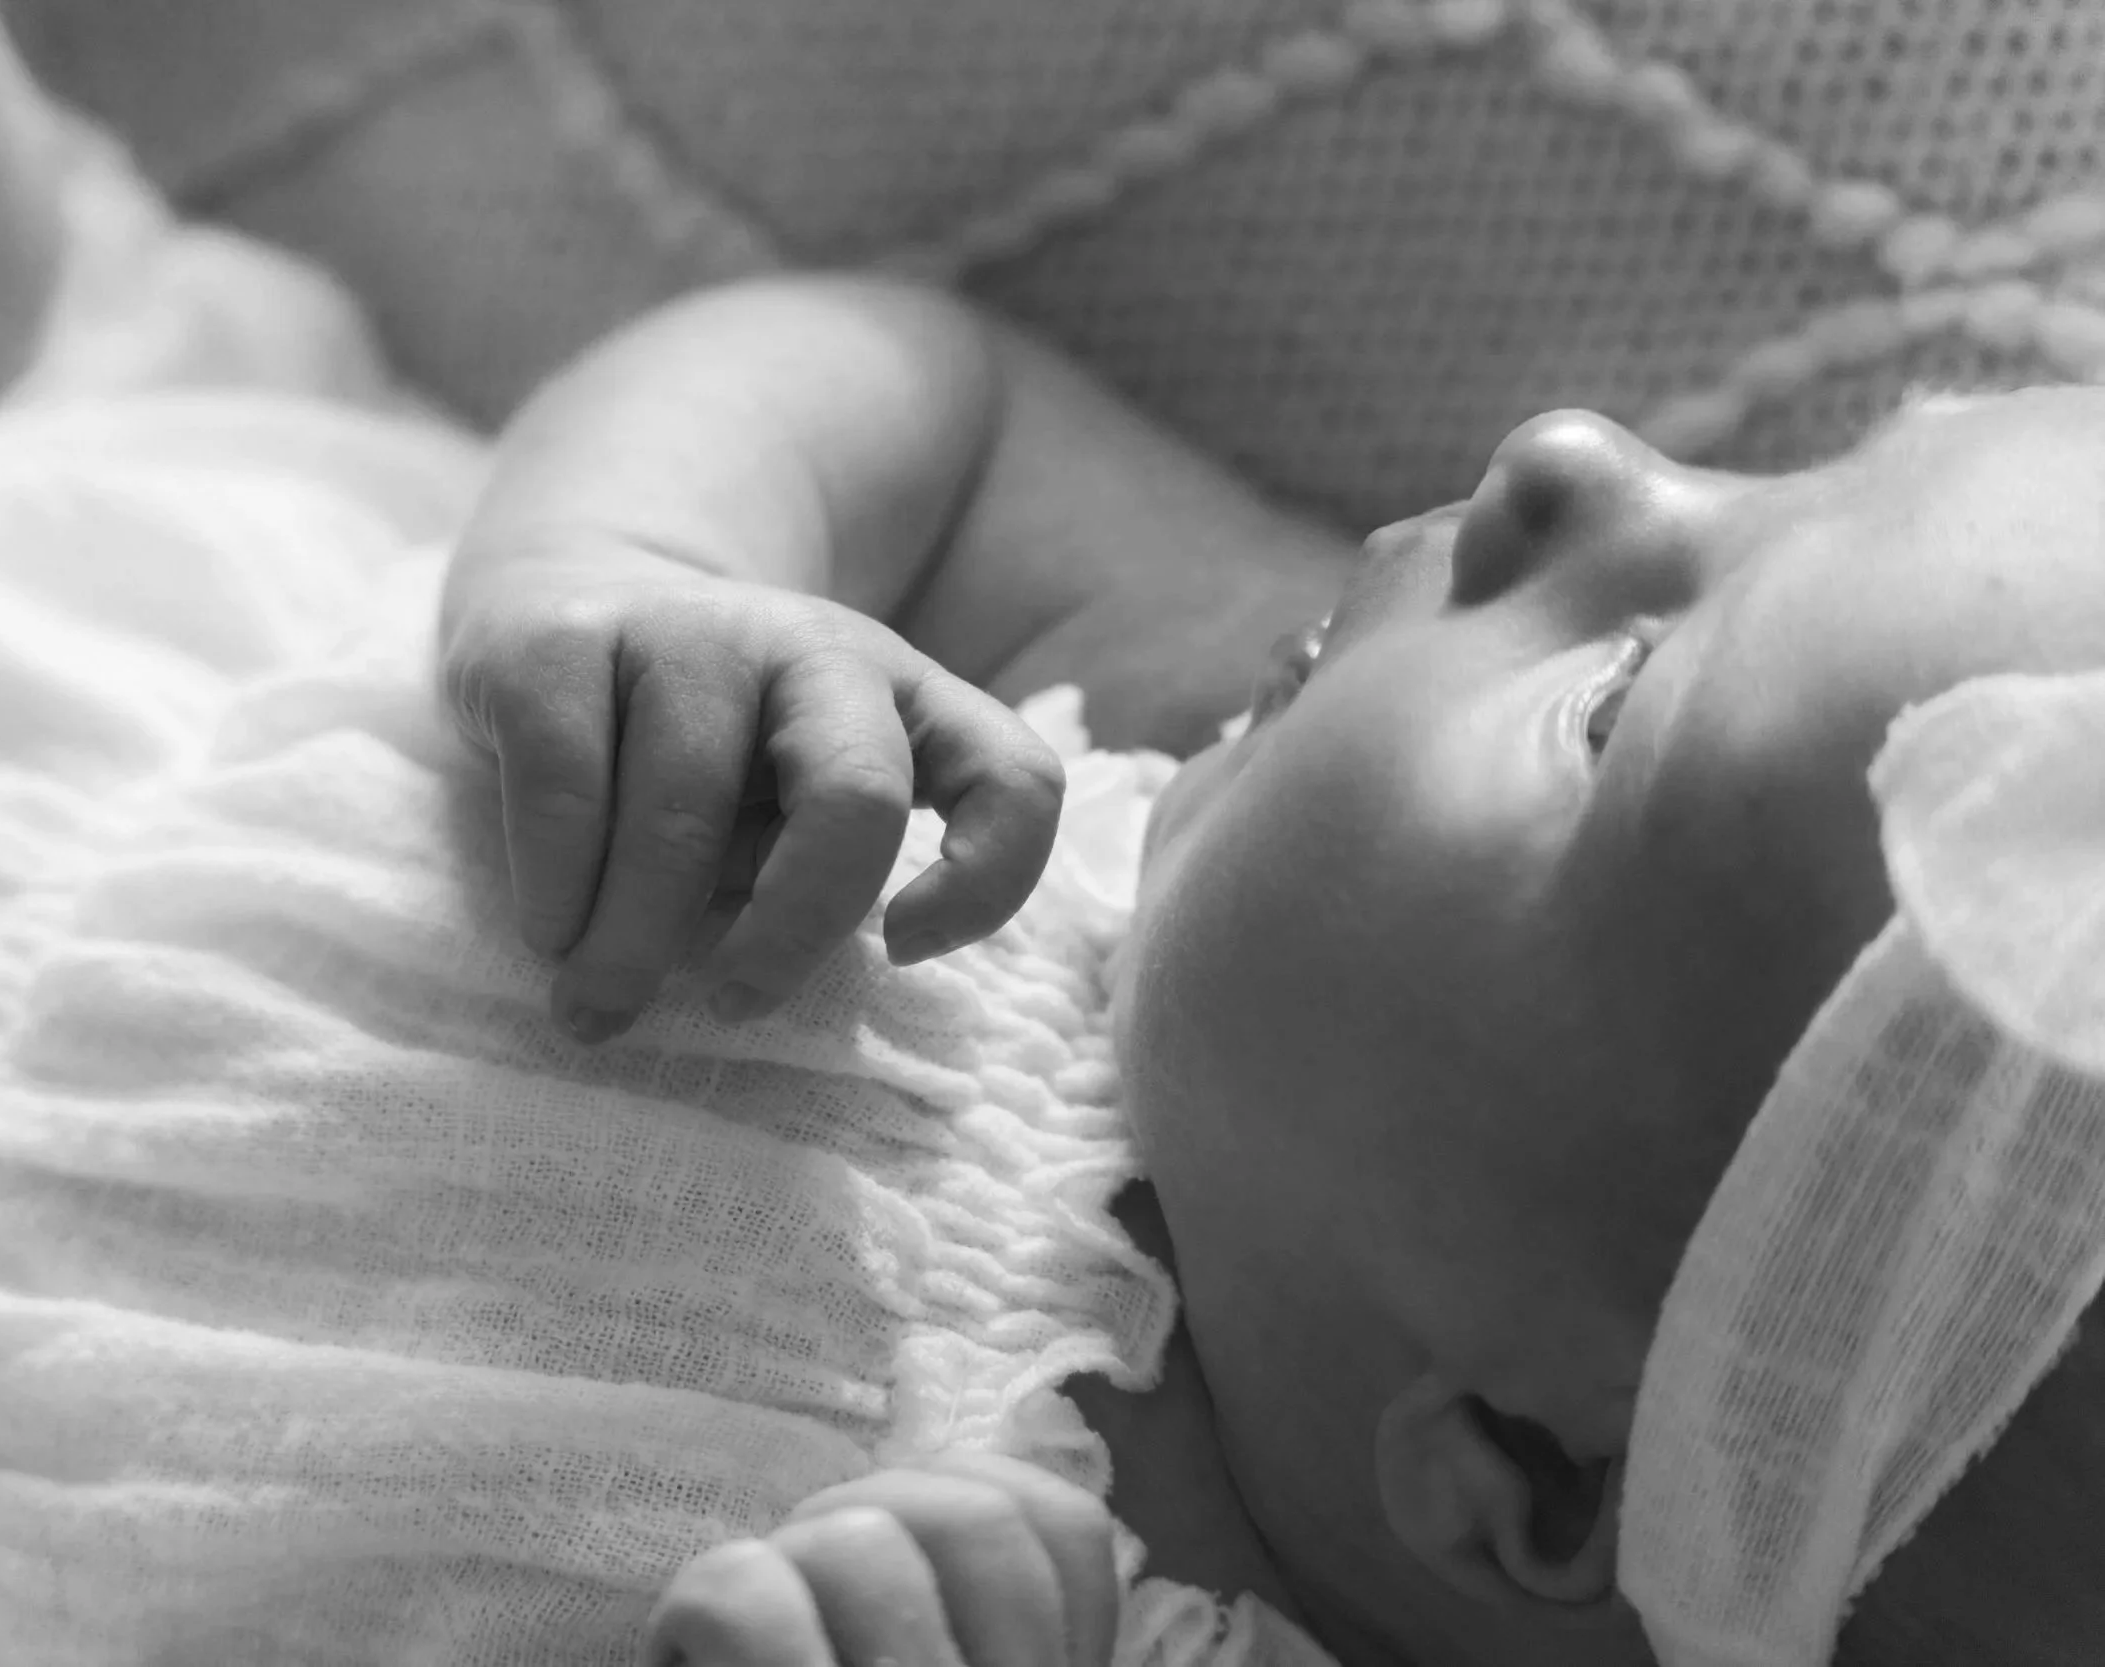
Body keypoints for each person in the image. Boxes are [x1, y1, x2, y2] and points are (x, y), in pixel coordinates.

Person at [440, 275, 2105, 1666]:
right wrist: (632, 566)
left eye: (1614, 701)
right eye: (1793, 475)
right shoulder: (1115, 775)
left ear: (1534, 1474)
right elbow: (932, 398)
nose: (1572, 458)